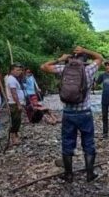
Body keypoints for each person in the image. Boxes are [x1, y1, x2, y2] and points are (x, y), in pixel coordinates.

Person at [40, 46, 103, 183]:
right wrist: (85, 50)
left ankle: (68, 175)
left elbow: (43, 66)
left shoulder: (64, 69)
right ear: (85, 61)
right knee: (88, 142)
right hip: (84, 112)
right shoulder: (88, 70)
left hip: (68, 113)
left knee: (67, 142)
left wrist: (60, 59)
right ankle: (90, 174)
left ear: (73, 59)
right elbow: (99, 58)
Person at [5, 63, 25, 145]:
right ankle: (13, 137)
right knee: (15, 121)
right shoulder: (11, 79)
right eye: (17, 70)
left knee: (17, 120)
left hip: (16, 103)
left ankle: (15, 135)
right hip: (14, 103)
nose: (19, 72)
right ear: (12, 70)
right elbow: (14, 93)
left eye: (20, 70)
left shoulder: (14, 78)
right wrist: (19, 104)